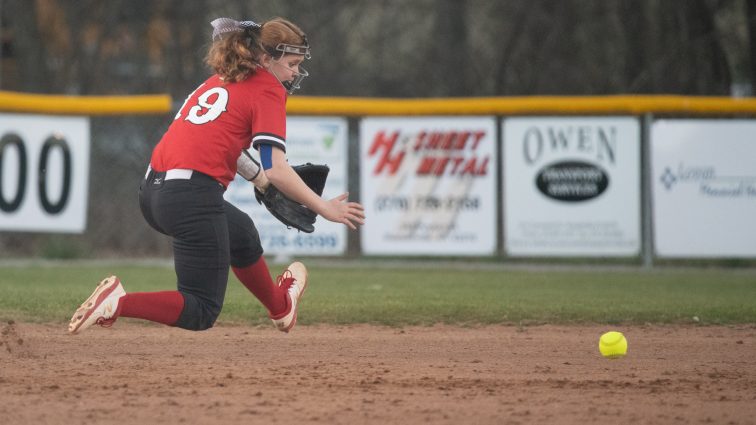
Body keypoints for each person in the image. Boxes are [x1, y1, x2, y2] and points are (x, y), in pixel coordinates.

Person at [68, 16, 365, 335]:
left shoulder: (224, 78)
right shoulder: (268, 89)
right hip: (190, 198)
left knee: (242, 234)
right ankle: (117, 303)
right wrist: (324, 207)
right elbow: (277, 168)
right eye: (291, 63)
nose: (295, 71)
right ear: (266, 59)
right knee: (201, 309)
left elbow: (226, 145)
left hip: (153, 192)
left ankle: (281, 307)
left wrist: (258, 181)